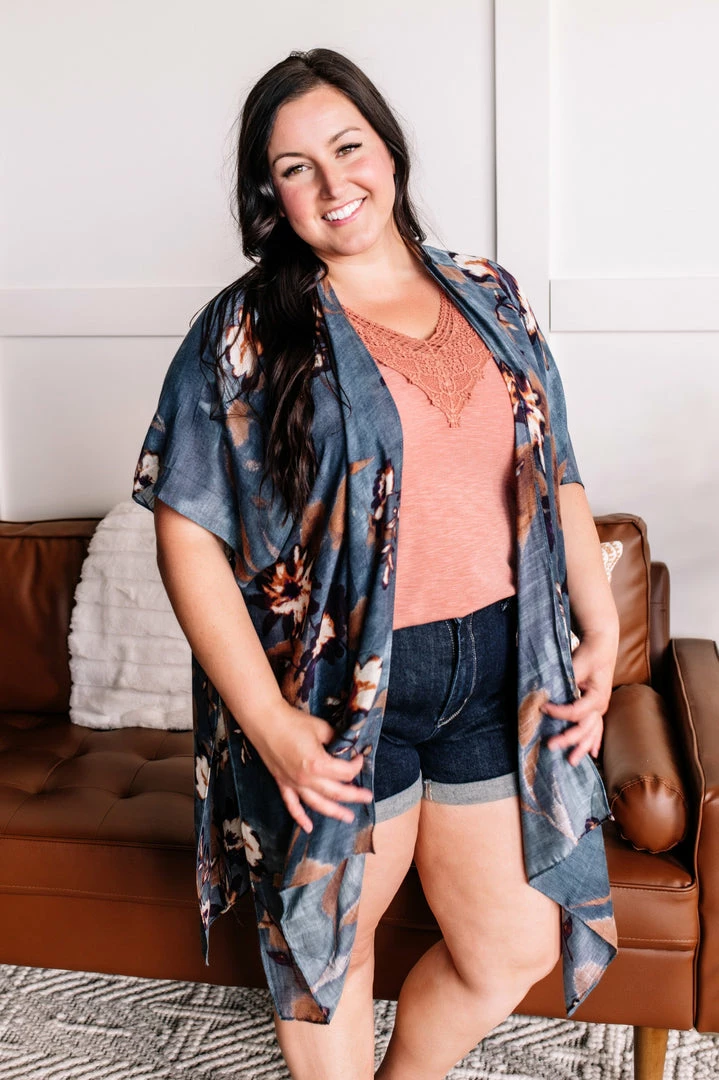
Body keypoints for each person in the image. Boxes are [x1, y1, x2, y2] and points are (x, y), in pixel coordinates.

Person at [132, 47, 619, 1080]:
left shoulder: (488, 294)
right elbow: (185, 533)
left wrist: (603, 627)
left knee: (511, 947)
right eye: (293, 168)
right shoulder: (246, 330)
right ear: (269, 195)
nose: (331, 181)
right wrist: (269, 726)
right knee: (333, 954)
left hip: (498, 675)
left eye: (347, 147)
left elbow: (555, 474)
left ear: (387, 149)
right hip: (342, 694)